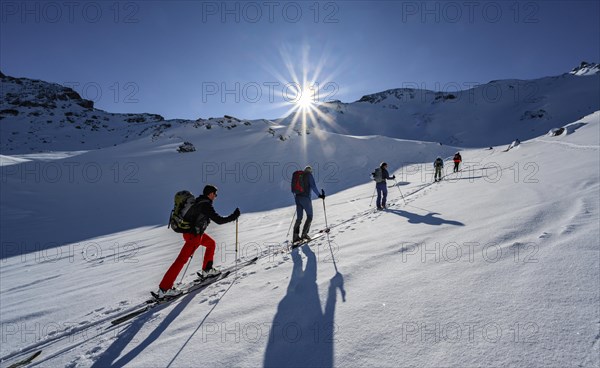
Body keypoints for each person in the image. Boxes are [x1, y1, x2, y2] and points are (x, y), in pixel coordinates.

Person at [156, 185, 240, 298]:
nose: (216, 196)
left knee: (211, 243)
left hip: (194, 234)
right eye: (215, 194)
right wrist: (233, 216)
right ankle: (164, 289)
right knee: (181, 260)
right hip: (193, 237)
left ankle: (207, 270)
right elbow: (219, 220)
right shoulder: (205, 205)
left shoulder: (199, 201)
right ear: (210, 194)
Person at [292, 166, 325, 243]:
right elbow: (313, 186)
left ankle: (295, 236)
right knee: (310, 216)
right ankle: (304, 234)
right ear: (310, 171)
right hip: (305, 198)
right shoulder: (309, 175)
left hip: (297, 197)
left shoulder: (300, 176)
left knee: (299, 218)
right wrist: (319, 195)